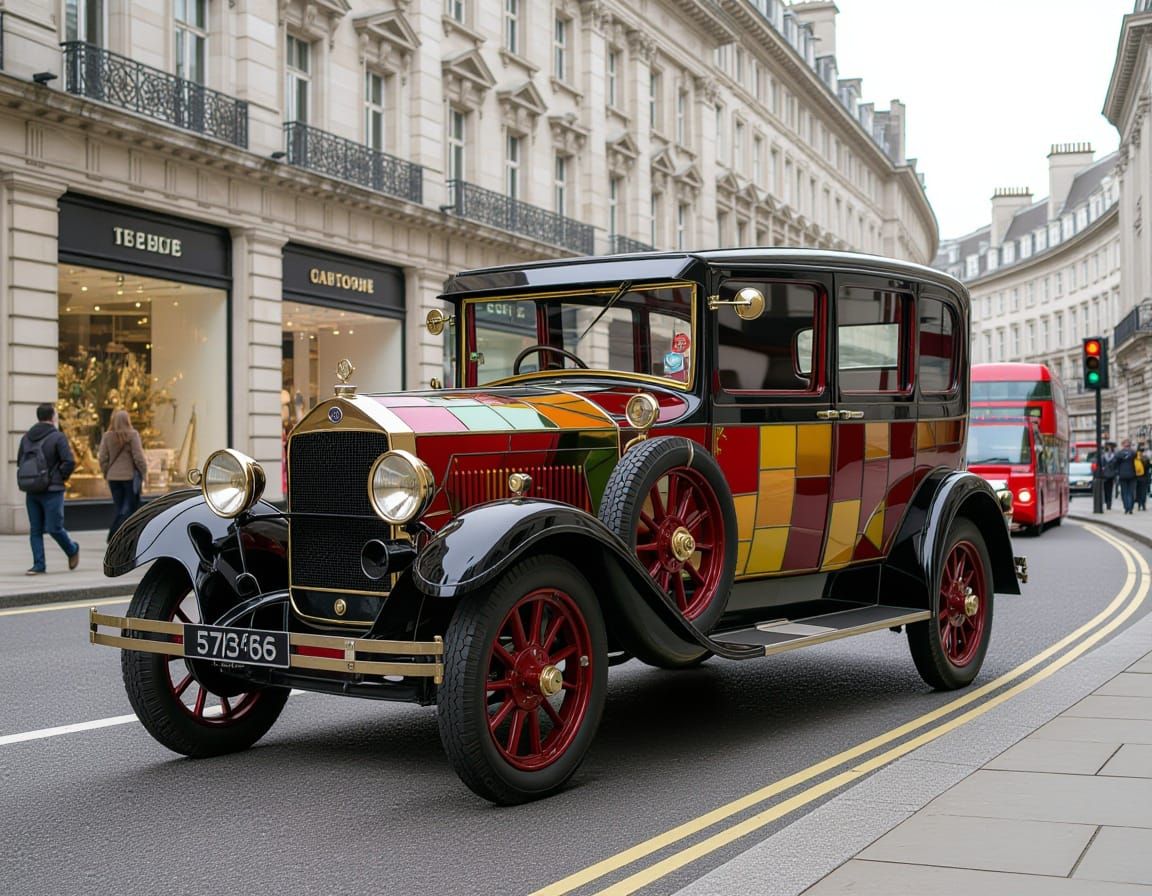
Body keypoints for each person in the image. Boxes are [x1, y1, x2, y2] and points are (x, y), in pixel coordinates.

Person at [17, 403, 79, 574]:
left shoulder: (26, 438)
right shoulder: (58, 437)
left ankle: (38, 565)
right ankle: (72, 549)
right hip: (53, 490)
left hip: (32, 488)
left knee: (35, 529)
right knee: (54, 527)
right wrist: (59, 477)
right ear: (53, 417)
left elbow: (20, 461)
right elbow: (69, 461)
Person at [98, 408, 148, 540]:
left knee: (120, 507)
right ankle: (114, 534)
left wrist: (106, 472)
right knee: (128, 509)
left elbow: (102, 457)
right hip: (129, 477)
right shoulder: (133, 435)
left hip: (113, 478)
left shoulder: (107, 436)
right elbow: (138, 457)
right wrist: (144, 472)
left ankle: (121, 536)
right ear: (127, 420)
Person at [1115, 438, 1139, 514]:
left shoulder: (1119, 453)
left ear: (1122, 445)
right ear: (1129, 444)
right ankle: (1131, 508)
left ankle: (1126, 508)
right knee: (1131, 492)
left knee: (1124, 492)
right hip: (1132, 475)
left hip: (1122, 475)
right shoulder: (1133, 453)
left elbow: (1115, 463)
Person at [1101, 442, 1118, 511]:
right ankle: (1107, 501)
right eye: (1108, 448)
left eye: (1110, 448)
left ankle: (1109, 503)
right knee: (1106, 490)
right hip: (1106, 475)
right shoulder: (1103, 456)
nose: (1109, 450)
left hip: (1111, 475)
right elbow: (1101, 465)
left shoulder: (1114, 456)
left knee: (1110, 490)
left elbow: (1116, 465)